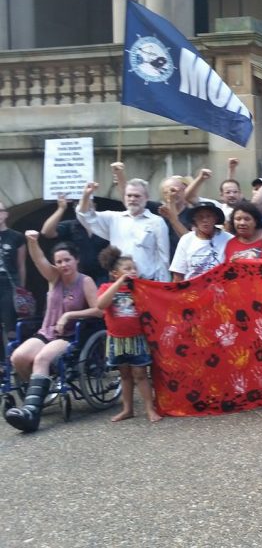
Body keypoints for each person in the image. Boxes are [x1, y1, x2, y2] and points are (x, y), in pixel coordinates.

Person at [5, 235, 101, 433]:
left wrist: (69, 315)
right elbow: (38, 259)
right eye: (59, 261)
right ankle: (41, 390)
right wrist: (32, 242)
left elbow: (98, 310)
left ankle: (31, 413)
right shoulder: (54, 277)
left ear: (76, 260)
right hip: (46, 331)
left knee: (41, 359)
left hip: (70, 336)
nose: (63, 265)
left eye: (67, 260)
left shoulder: (85, 281)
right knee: (18, 357)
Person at [95, 246, 161, 423]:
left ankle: (149, 408)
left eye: (134, 268)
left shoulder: (139, 289)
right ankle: (127, 409)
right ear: (115, 273)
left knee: (140, 373)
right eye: (127, 269)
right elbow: (101, 305)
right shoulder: (106, 287)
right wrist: (118, 284)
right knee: (124, 375)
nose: (132, 271)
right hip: (117, 339)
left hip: (137, 338)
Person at [77, 179, 170, 282]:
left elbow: (163, 258)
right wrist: (86, 196)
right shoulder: (113, 218)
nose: (132, 199)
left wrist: (163, 285)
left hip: (147, 283)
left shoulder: (157, 222)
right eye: (129, 195)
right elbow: (86, 217)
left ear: (146, 198)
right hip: (119, 282)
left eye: (137, 196)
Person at [40, 194, 109, 284]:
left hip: (102, 278)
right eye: (82, 205)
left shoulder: (104, 225)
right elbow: (46, 232)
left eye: (88, 204)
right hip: (76, 279)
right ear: (76, 208)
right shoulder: (69, 226)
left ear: (95, 206)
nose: (86, 208)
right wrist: (61, 209)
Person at [169, 202, 232, 281]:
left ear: (216, 218)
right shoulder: (186, 240)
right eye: (200, 217)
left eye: (208, 216)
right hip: (192, 290)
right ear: (194, 220)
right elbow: (178, 273)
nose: (205, 220)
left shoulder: (229, 239)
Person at [0, 199, 26, 341]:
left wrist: (21, 289)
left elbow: (21, 265)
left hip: (9, 284)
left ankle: (12, 357)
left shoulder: (16, 237)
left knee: (10, 323)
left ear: (5, 214)